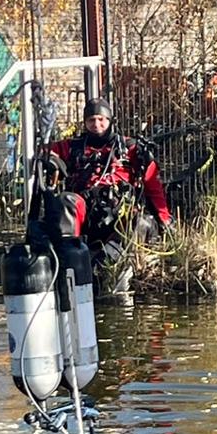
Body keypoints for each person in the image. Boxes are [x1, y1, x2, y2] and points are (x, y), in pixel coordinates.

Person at [45, 99, 172, 293]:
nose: (96, 125)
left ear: (110, 120)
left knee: (141, 222)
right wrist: (53, 160)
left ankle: (101, 267)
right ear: (85, 122)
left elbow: (153, 186)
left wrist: (165, 220)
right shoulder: (73, 146)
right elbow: (44, 152)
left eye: (101, 120)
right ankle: (68, 263)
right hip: (86, 215)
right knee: (66, 201)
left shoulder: (130, 148)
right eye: (91, 120)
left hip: (120, 217)